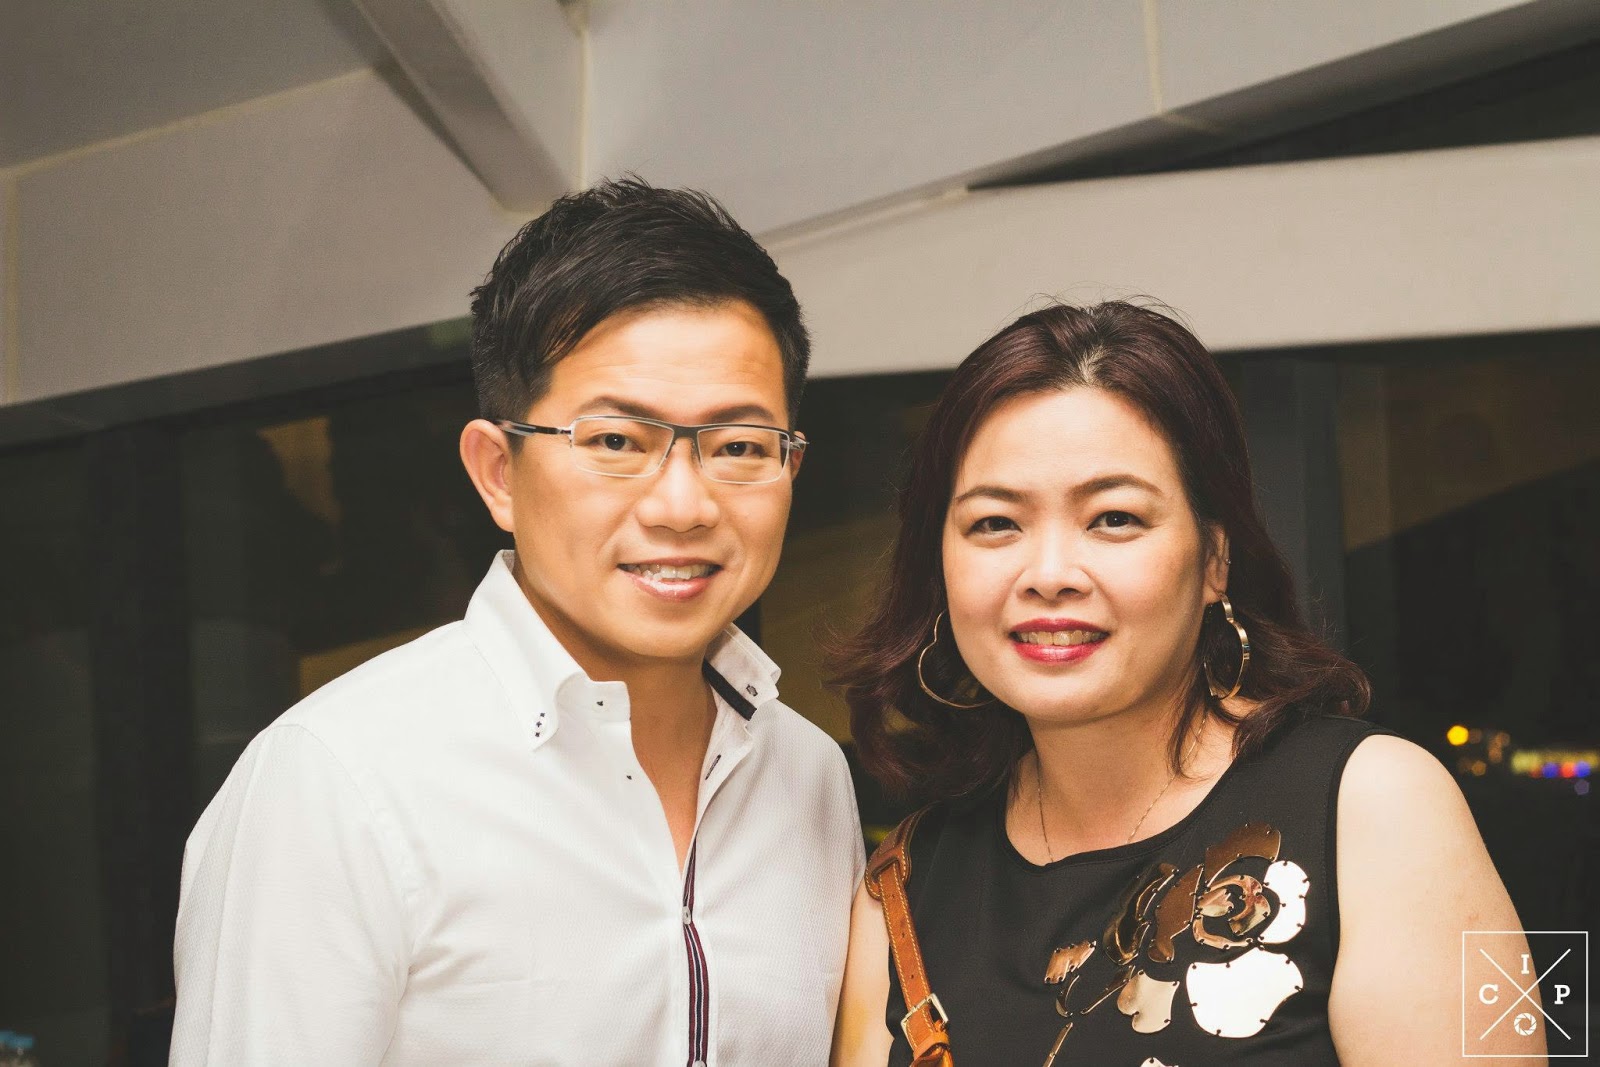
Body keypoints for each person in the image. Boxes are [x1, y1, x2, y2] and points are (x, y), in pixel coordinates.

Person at [170, 178, 864, 1065]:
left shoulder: (809, 775)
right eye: (616, 442)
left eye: (738, 446)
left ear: (790, 468)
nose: (684, 506)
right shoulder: (337, 779)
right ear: (498, 472)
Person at [828, 302, 1535, 1066]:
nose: (1050, 574)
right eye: (996, 523)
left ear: (1215, 558)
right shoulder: (903, 884)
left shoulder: (1374, 808)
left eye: (1114, 518)